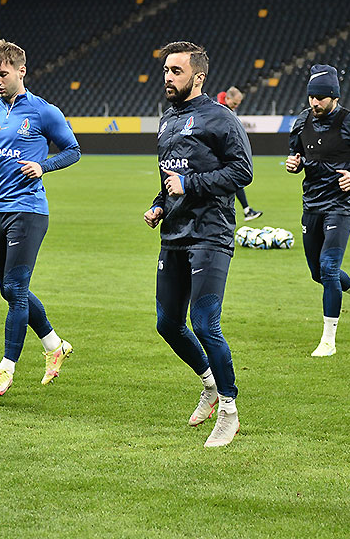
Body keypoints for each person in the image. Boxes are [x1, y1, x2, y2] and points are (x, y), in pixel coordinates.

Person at [145, 41, 253, 448]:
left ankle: (229, 411)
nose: (168, 77)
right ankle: (209, 384)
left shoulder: (221, 118)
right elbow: (168, 178)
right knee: (167, 324)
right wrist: (159, 204)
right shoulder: (167, 120)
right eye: (166, 70)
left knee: (205, 323)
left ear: (198, 76)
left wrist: (189, 185)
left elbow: (242, 172)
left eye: (176, 70)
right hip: (174, 233)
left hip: (211, 232)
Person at [0, 39, 80, 396]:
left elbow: (73, 150)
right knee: (7, 289)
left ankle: (6, 369)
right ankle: (54, 346)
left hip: (29, 210)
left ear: (21, 71)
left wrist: (42, 166)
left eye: (3, 73)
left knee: (16, 289)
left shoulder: (43, 111)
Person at [286, 64, 350, 357]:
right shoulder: (302, 121)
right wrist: (295, 164)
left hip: (340, 204)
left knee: (329, 268)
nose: (314, 103)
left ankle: (328, 341)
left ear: (334, 97)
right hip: (311, 203)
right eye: (311, 97)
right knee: (318, 273)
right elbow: (297, 153)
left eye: (320, 98)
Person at [216, 85, 262, 221]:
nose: (236, 106)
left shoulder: (225, 108)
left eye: (238, 104)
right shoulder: (218, 109)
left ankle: (245, 210)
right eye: (235, 103)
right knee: (229, 180)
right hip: (218, 152)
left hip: (224, 151)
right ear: (227, 98)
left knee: (233, 180)